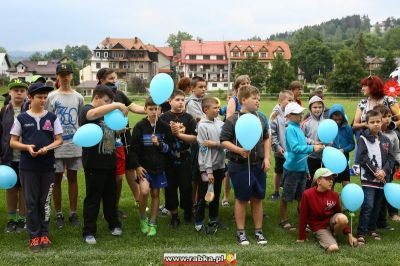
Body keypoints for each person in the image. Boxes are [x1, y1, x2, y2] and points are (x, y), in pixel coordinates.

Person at [10, 82, 63, 252]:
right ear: (30, 98)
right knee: (31, 202)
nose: (43, 100)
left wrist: (47, 148)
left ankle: (44, 233)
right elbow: (13, 142)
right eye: (39, 97)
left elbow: (59, 139)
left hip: (47, 167)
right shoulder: (21, 118)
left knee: (44, 202)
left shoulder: (52, 118)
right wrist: (27, 148)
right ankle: (34, 236)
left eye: (45, 97)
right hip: (28, 168)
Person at [220, 85, 270, 245]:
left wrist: (267, 158)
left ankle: (258, 231)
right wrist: (239, 150)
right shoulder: (233, 119)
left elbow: (266, 138)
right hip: (238, 165)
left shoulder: (261, 118)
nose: (258, 101)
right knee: (241, 198)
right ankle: (241, 232)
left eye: (259, 99)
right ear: (243, 100)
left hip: (258, 165)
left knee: (257, 198)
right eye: (254, 98)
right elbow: (224, 141)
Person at [79, 85, 128, 244]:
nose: (108, 105)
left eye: (111, 102)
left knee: (110, 196)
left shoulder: (107, 113)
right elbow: (92, 115)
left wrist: (119, 130)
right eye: (106, 101)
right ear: (97, 98)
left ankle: (113, 224)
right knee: (93, 198)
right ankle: (89, 231)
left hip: (109, 161)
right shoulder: (87, 109)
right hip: (94, 163)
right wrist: (117, 104)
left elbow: (111, 130)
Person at [96, 68, 144, 218]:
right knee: (112, 176)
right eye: (110, 78)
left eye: (115, 78)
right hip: (108, 140)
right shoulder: (99, 97)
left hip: (124, 138)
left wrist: (149, 109)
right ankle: (108, 208)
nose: (114, 81)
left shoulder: (120, 94)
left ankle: (120, 205)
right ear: (101, 80)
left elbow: (132, 106)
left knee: (128, 169)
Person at [46, 63, 84, 228]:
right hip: (57, 145)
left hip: (74, 144)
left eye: (68, 73)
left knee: (73, 178)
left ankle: (73, 213)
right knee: (57, 178)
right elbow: (47, 120)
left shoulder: (78, 97)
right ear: (57, 77)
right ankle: (59, 213)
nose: (65, 77)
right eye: (62, 74)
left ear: (72, 76)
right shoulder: (52, 97)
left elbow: (81, 120)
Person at [130, 97, 172, 236]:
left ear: (160, 110)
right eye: (151, 109)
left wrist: (159, 144)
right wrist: (136, 166)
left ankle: (153, 222)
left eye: (157, 109)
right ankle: (143, 218)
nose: (154, 112)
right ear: (145, 110)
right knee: (144, 191)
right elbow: (133, 150)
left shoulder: (165, 127)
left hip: (159, 167)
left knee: (155, 194)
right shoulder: (139, 127)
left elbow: (169, 149)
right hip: (144, 167)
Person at [279, 102, 323, 231]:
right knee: (286, 197)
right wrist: (312, 148)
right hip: (292, 169)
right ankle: (284, 220)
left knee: (301, 197)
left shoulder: (299, 128)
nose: (300, 115)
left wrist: (307, 169)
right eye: (297, 114)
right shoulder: (290, 129)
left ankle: (304, 221)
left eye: (301, 113)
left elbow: (303, 155)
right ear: (289, 116)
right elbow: (295, 148)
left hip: (302, 170)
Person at [356, 110, 395, 244]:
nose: (376, 124)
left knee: (377, 205)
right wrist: (375, 171)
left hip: (382, 179)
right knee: (368, 205)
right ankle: (361, 231)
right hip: (369, 179)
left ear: (381, 121)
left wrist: (384, 171)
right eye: (372, 122)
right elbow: (362, 157)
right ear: (366, 124)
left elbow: (391, 158)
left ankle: (372, 228)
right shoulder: (363, 139)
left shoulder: (386, 139)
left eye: (378, 121)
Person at [160, 89, 197, 228]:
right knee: (170, 187)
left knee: (186, 186)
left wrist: (180, 135)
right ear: (170, 101)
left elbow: (194, 138)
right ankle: (174, 215)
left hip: (185, 156)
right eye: (177, 100)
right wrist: (171, 132)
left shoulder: (189, 118)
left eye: (183, 100)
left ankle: (188, 210)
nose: (181, 102)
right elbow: (161, 137)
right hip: (168, 158)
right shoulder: (163, 118)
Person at [297, 168, 358, 252]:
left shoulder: (334, 195)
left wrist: (349, 234)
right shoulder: (307, 194)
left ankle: (335, 235)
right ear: (318, 181)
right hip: (319, 227)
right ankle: (328, 238)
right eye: (327, 179)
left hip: (332, 223)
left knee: (343, 218)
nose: (331, 181)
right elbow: (303, 216)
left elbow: (339, 213)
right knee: (333, 248)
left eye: (332, 179)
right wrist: (301, 236)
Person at [352, 76, 400, 175]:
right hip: (368, 140)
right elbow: (355, 124)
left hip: (387, 139)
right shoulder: (363, 103)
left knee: (386, 171)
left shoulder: (389, 100)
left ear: (373, 87)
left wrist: (393, 124)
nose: (362, 88)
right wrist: (368, 124)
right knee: (371, 171)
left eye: (365, 86)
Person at [0, 79, 29, 233]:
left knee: (24, 189)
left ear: (26, 94)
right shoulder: (4, 110)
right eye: (16, 90)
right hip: (8, 157)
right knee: (11, 188)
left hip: (25, 156)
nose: (19, 93)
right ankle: (12, 219)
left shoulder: (30, 109)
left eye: (22, 90)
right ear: (10, 92)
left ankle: (23, 219)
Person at [195, 97, 225, 234]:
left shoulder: (220, 123)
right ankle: (199, 222)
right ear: (206, 109)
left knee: (216, 193)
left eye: (219, 108)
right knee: (203, 195)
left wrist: (216, 144)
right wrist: (208, 171)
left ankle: (213, 219)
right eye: (215, 108)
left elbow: (224, 142)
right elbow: (204, 149)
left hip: (220, 166)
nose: (218, 110)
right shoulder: (202, 126)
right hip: (207, 169)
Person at [221, 75, 250, 207]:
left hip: (248, 137)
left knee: (246, 167)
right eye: (242, 83)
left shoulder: (251, 99)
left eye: (247, 83)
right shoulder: (233, 100)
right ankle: (226, 196)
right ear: (237, 87)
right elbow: (230, 119)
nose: (245, 85)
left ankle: (246, 194)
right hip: (234, 138)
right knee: (229, 170)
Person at [372, 105, 400, 226]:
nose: (388, 119)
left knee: (385, 193)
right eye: (384, 116)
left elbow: (396, 152)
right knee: (374, 195)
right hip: (373, 170)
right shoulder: (371, 134)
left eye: (389, 116)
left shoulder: (393, 134)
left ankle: (382, 221)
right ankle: (372, 219)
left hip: (388, 169)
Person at [185, 76, 207, 218]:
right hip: (195, 144)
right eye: (200, 87)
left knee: (203, 174)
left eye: (205, 87)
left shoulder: (204, 101)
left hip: (205, 143)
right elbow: (201, 120)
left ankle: (200, 201)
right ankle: (192, 203)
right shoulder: (191, 103)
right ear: (192, 88)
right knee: (194, 176)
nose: (203, 89)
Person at [270, 90, 294, 201]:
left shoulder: (291, 113)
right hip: (280, 151)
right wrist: (277, 147)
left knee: (290, 171)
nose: (291, 102)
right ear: (281, 100)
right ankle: (276, 192)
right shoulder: (275, 115)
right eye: (289, 100)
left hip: (292, 150)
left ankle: (288, 192)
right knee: (279, 171)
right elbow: (272, 134)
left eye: (292, 100)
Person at [327, 104, 355, 190]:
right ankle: (330, 202)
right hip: (331, 160)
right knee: (330, 183)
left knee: (346, 183)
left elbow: (352, 144)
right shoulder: (327, 127)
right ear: (330, 117)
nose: (337, 120)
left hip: (344, 159)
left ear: (343, 116)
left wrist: (344, 150)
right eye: (334, 118)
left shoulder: (347, 128)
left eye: (339, 117)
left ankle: (348, 201)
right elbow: (323, 142)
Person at [301, 95, 325, 188]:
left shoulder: (326, 122)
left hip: (324, 157)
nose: (317, 109)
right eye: (315, 107)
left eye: (320, 107)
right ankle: (307, 198)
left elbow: (330, 139)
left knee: (321, 181)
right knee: (309, 180)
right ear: (310, 108)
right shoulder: (306, 123)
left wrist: (326, 143)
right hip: (310, 157)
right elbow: (302, 138)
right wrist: (313, 142)